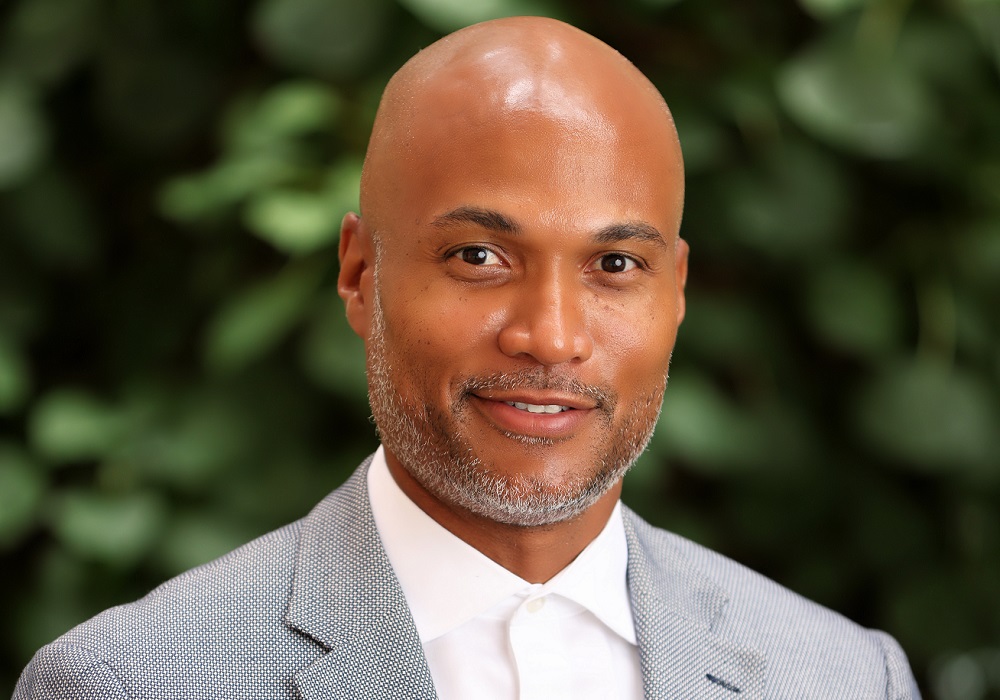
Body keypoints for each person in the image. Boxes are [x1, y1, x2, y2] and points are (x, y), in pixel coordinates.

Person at [13, 16, 920, 700]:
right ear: (361, 273)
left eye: (614, 265)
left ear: (676, 292)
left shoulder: (844, 677)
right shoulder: (129, 683)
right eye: (479, 257)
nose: (551, 335)